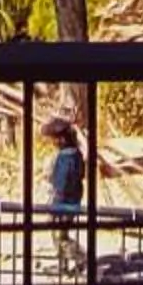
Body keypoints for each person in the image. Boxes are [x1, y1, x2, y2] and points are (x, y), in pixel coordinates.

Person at [43, 115, 88, 276]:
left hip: (63, 203)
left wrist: (54, 208)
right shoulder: (76, 155)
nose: (52, 142)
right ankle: (62, 266)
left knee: (60, 236)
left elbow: (61, 186)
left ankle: (82, 258)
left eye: (54, 139)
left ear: (61, 139)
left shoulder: (65, 158)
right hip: (73, 200)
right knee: (60, 235)